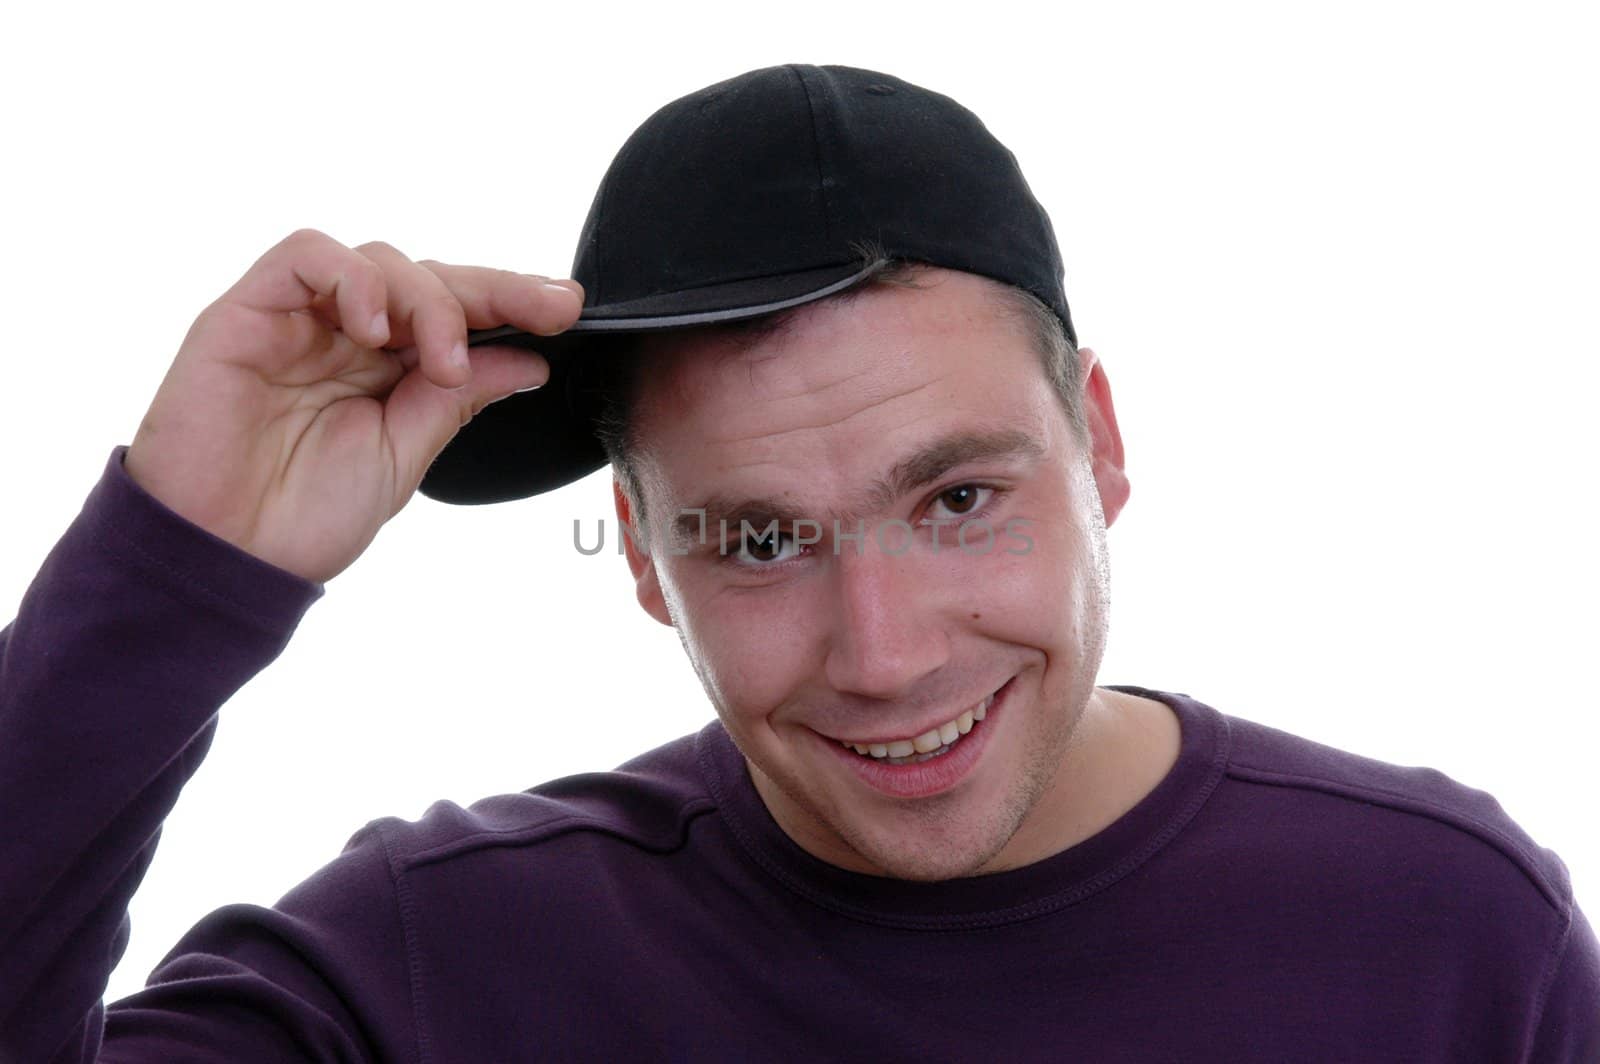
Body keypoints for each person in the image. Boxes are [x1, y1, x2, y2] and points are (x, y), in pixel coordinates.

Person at [1, 62, 1594, 1062]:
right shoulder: (428, 973)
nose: (884, 651)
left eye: (961, 498)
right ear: (642, 556)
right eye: (760, 540)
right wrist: (174, 566)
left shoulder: (1450, 934)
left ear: (1099, 445)